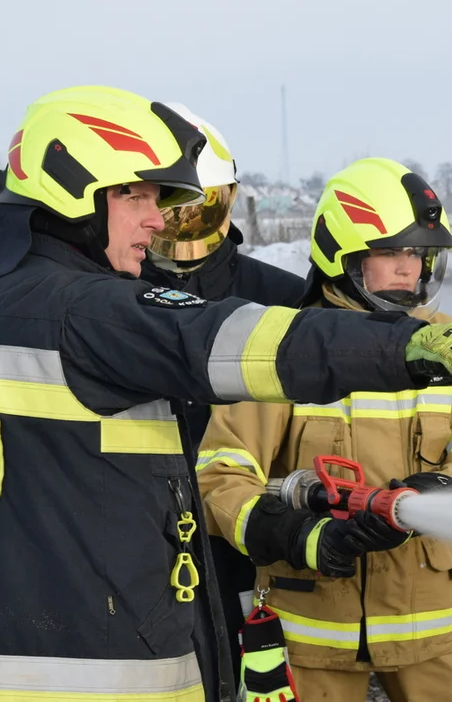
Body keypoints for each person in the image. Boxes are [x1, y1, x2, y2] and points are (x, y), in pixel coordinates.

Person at [0, 86, 452, 702]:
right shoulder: (85, 310)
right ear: (71, 188)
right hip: (104, 674)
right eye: (136, 194)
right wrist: (400, 348)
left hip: (17, 669)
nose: (156, 218)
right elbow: (215, 340)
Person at [197, 158, 452, 702]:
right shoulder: (284, 349)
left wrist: (440, 492)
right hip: (310, 630)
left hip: (430, 626)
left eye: (416, 253)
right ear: (342, 256)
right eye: (390, 252)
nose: (408, 269)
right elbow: (220, 477)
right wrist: (302, 537)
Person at [139, 102, 307, 692]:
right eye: (171, 209)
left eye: (199, 207)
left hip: (249, 532)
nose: (184, 229)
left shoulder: (283, 298)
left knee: (256, 666)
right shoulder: (108, 300)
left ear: (227, 198)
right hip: (143, 524)